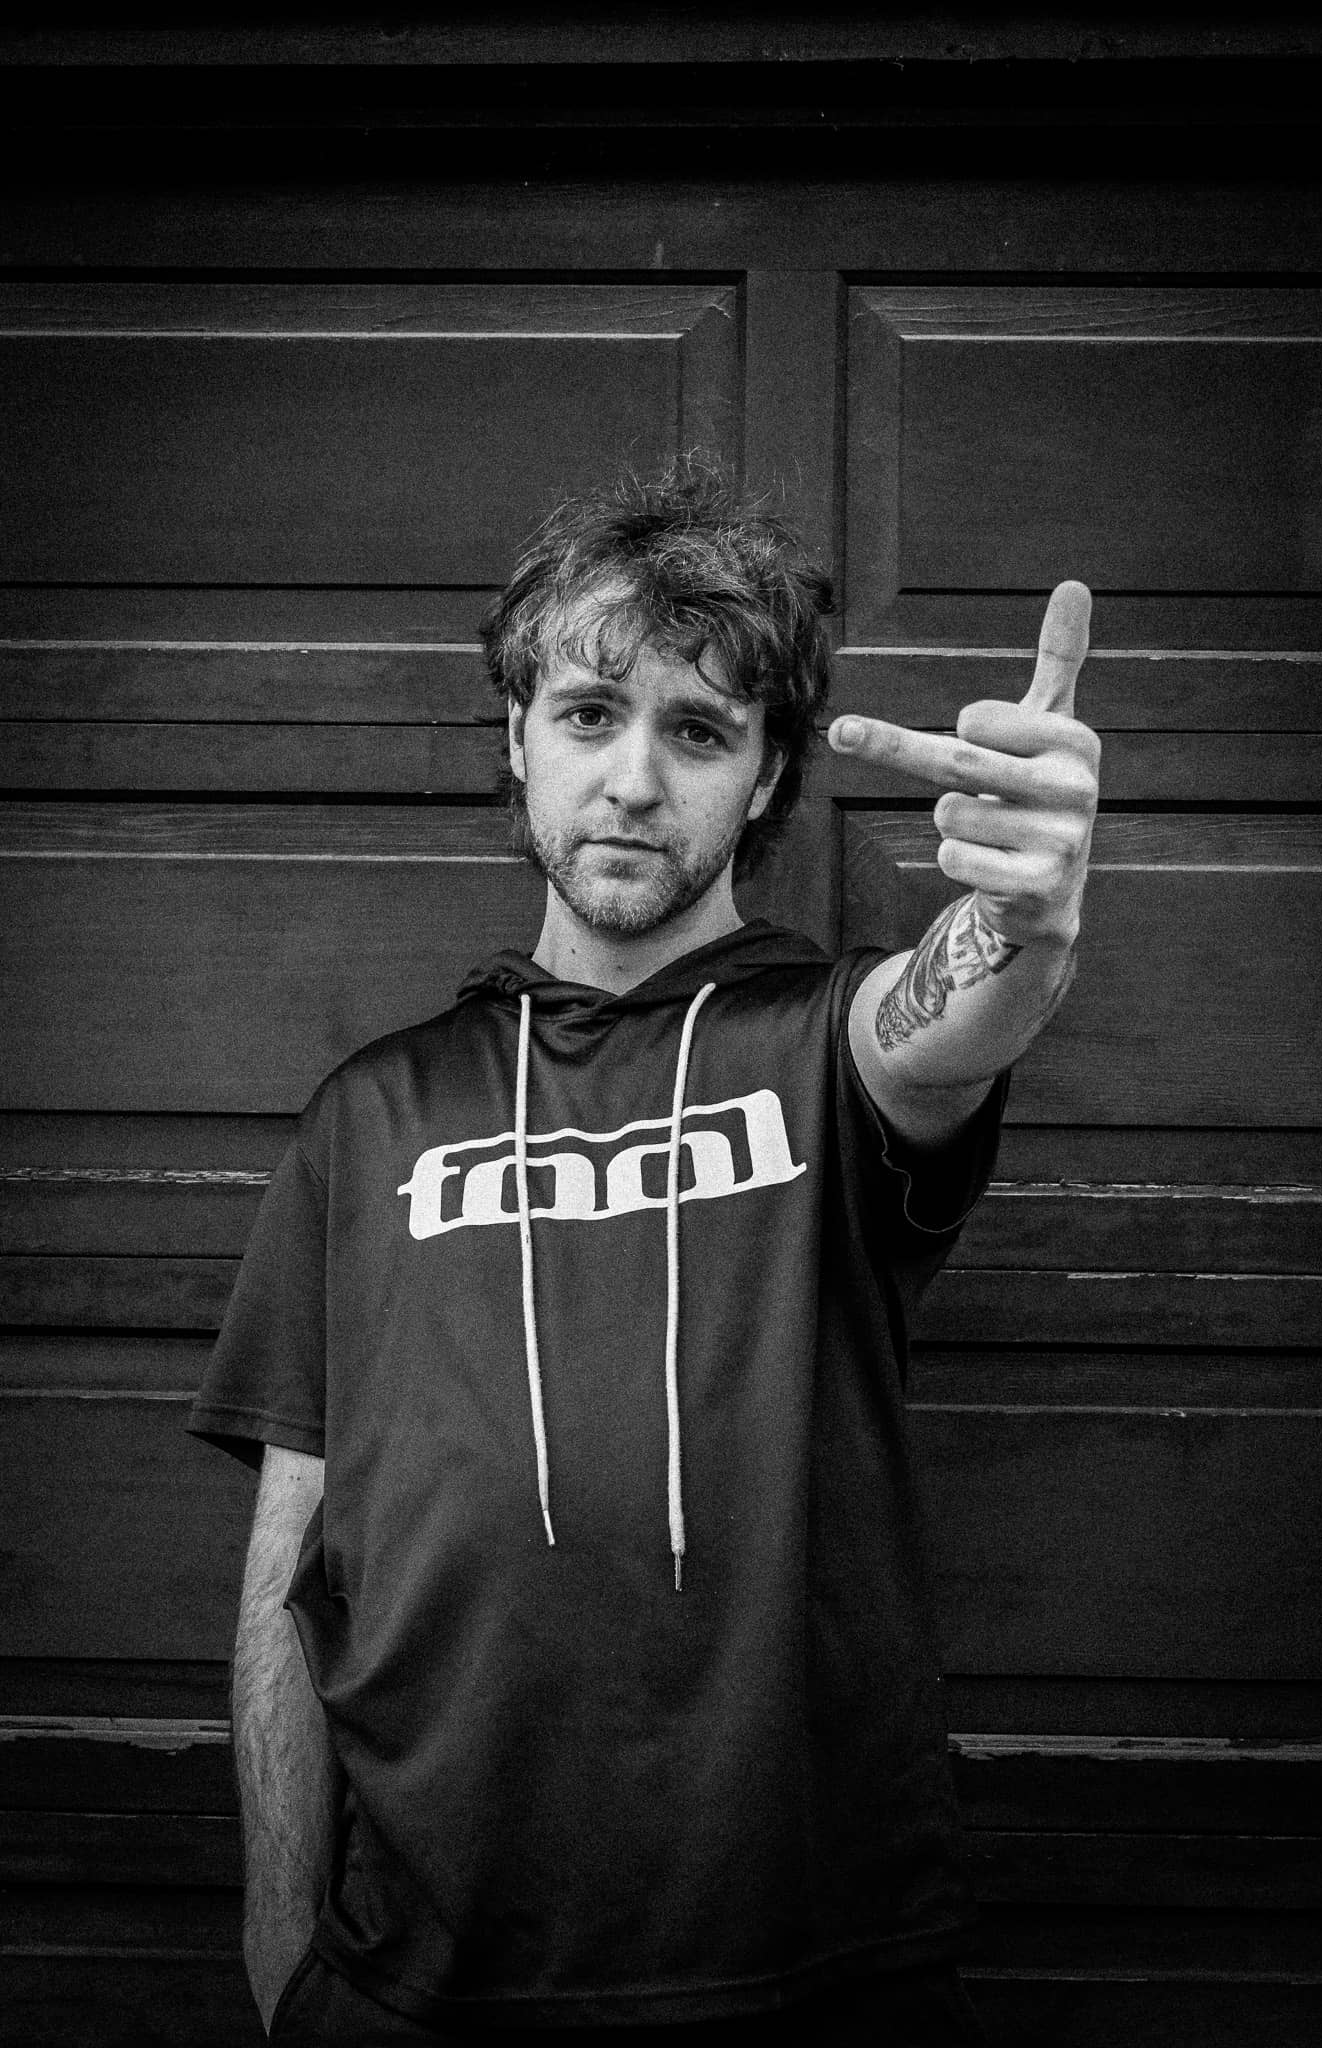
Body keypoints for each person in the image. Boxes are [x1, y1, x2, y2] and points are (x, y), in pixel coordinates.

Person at [187, 458, 1099, 2046]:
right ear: (518, 739)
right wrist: (282, 1956)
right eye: (591, 714)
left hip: (815, 1973)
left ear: (763, 775)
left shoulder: (824, 1048)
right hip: (416, 1978)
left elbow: (948, 1015)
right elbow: (287, 1577)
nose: (630, 781)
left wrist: (1026, 920)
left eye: (696, 731)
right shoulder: (374, 1116)